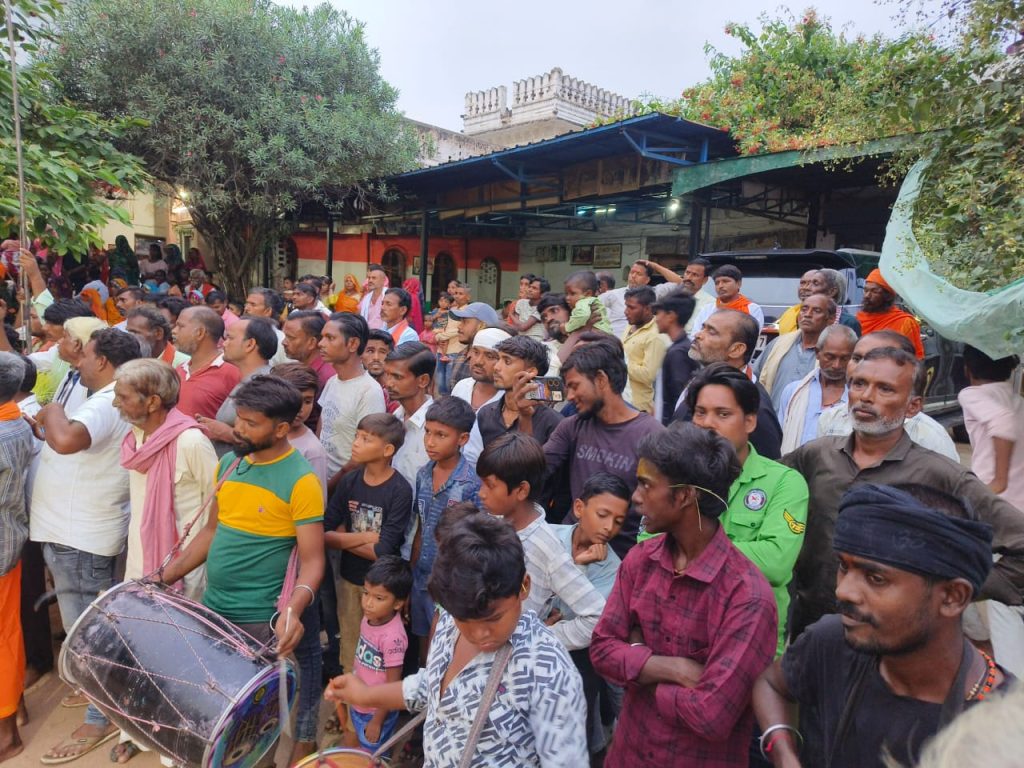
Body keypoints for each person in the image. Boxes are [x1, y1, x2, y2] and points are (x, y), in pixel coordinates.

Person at [752, 484, 1007, 768]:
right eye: (844, 567)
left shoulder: (1005, 734)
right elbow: (771, 684)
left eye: (876, 578)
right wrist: (783, 751)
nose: (843, 591)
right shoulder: (831, 641)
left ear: (952, 597)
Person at [783, 346, 1024, 639]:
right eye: (859, 384)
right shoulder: (816, 455)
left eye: (885, 389)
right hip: (810, 631)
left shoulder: (940, 475)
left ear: (913, 406)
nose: (866, 396)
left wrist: (940, 593)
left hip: (895, 643)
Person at [326, 514, 588, 766]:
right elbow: (432, 686)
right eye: (464, 619)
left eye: (493, 618)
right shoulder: (449, 619)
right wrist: (367, 695)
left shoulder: (550, 674)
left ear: (524, 586)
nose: (478, 634)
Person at [590, 422, 778, 767]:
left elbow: (711, 715)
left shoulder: (747, 597)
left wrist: (636, 661)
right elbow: (602, 650)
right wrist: (671, 668)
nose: (635, 497)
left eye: (647, 485)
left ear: (685, 496)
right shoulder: (641, 561)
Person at [32, 329, 142, 764]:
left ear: (103, 362)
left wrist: (52, 409)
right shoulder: (109, 397)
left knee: (87, 636)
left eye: (85, 355)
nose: (78, 362)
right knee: (90, 630)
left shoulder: (107, 399)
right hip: (74, 533)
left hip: (79, 536)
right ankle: (100, 698)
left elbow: (66, 440)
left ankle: (101, 718)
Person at [159, 375, 325, 650]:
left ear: (281, 429)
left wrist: (292, 610)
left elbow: (313, 562)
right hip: (212, 610)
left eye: (251, 424)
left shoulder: (302, 481)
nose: (238, 429)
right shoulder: (229, 464)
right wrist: (161, 579)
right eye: (238, 418)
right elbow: (211, 531)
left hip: (258, 622)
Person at [110, 359, 218, 764]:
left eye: (123, 396)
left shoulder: (190, 442)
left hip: (182, 573)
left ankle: (176, 747)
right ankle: (136, 731)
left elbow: (217, 510)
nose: (116, 403)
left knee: (179, 663)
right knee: (139, 651)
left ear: (152, 401)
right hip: (140, 564)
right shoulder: (136, 435)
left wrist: (183, 568)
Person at [687, 363, 809, 657]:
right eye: (700, 413)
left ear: (750, 422)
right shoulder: (677, 475)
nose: (707, 423)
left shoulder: (784, 483)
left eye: (723, 414)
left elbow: (775, 562)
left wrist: (687, 547)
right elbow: (648, 546)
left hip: (753, 642)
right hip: (684, 634)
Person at [476, 432, 606, 651]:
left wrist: (539, 638)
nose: (481, 493)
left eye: (490, 485)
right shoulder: (491, 523)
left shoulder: (546, 547)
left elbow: (597, 616)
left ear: (521, 490)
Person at [544, 340, 665, 558]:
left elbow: (660, 506)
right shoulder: (572, 426)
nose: (569, 396)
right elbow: (536, 470)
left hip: (621, 557)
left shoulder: (651, 435)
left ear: (601, 379)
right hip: (567, 549)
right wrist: (528, 416)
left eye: (574, 386)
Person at [325, 412, 411, 686]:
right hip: (350, 579)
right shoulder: (350, 481)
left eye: (366, 439)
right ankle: (347, 704)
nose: (356, 443)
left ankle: (374, 704)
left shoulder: (400, 490)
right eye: (357, 436)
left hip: (383, 587)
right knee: (349, 647)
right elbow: (324, 532)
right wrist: (364, 537)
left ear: (387, 450)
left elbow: (382, 551)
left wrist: (343, 538)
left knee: (379, 655)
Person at [552, 472, 630, 755]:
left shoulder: (613, 569)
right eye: (603, 515)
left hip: (575, 660)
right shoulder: (549, 537)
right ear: (578, 508)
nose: (609, 527)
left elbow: (583, 623)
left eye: (618, 521)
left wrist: (580, 566)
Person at [403, 396, 480, 658]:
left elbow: (473, 544)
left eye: (441, 435)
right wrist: (411, 576)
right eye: (427, 432)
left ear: (463, 439)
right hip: (422, 579)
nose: (430, 441)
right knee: (423, 647)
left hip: (451, 586)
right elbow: (420, 528)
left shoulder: (471, 484)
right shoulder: (423, 474)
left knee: (444, 650)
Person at [815, 331, 959, 461]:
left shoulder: (930, 437)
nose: (865, 367)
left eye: (881, 360)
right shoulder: (830, 420)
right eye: (857, 358)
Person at [673, 309, 784, 459]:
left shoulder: (755, 408)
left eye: (711, 332)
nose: (698, 335)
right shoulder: (702, 381)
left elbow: (765, 464)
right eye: (703, 328)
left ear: (737, 349)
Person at [337, 555, 410, 757]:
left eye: (379, 598)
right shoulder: (369, 619)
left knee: (375, 757)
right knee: (362, 751)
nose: (368, 603)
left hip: (377, 712)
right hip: (360, 704)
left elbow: (393, 685)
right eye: (366, 593)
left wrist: (377, 720)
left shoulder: (393, 638)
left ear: (398, 603)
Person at [0, 353, 33, 764]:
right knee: (7, 630)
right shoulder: (17, 420)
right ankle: (16, 706)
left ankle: (6, 733)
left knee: (3, 637)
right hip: (8, 540)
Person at [463, 335, 563, 468]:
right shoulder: (486, 414)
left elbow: (537, 472)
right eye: (498, 359)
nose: (496, 367)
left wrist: (525, 418)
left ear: (530, 372)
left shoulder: (554, 423)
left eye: (507, 361)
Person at [317, 312, 386, 491]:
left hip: (345, 488)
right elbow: (323, 425)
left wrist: (328, 489)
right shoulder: (332, 382)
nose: (321, 344)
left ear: (353, 344)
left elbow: (364, 453)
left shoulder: (369, 391)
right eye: (322, 337)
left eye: (330, 338)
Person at [198, 316, 276, 456]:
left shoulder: (263, 386)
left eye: (230, 338)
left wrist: (227, 433)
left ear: (250, 344)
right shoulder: (248, 380)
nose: (224, 344)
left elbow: (268, 438)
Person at [959, 346, 1024, 509]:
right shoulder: (1018, 401)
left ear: (967, 369)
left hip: (993, 501)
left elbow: (1003, 421)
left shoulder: (972, 394)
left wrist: (999, 481)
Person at [777, 324, 858, 453]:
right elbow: (779, 436)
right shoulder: (793, 391)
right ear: (817, 353)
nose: (837, 365)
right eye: (830, 357)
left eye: (844, 359)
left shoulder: (858, 398)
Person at [756, 294, 836, 411]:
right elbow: (756, 380)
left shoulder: (834, 353)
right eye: (804, 309)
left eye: (816, 311)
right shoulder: (778, 344)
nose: (807, 314)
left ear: (831, 319)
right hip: (773, 419)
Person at [172, 306, 241, 420]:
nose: (174, 331)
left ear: (200, 333)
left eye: (180, 326)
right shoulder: (180, 369)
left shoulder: (232, 373)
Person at [272, 363, 329, 496]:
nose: (300, 408)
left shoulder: (312, 451)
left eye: (307, 401)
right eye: (292, 400)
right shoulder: (262, 434)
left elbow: (317, 499)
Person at [383, 342, 435, 488]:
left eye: (397, 377)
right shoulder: (395, 417)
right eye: (387, 374)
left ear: (423, 380)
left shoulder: (436, 427)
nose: (388, 383)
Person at [652, 287, 698, 425]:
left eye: (658, 313)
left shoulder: (678, 353)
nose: (656, 319)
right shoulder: (681, 348)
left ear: (671, 316)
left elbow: (680, 399)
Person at [621, 285, 670, 415]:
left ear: (648, 309)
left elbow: (648, 375)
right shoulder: (631, 326)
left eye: (631, 308)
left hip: (637, 405)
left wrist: (619, 364)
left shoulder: (655, 336)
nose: (626, 311)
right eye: (626, 306)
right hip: (622, 397)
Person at [856, 267, 924, 359]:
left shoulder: (905, 322)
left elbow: (913, 359)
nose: (867, 295)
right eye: (866, 290)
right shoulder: (858, 319)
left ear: (887, 295)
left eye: (874, 291)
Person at [690, 264, 765, 335]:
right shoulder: (707, 309)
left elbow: (751, 337)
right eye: (717, 283)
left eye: (725, 281)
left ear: (738, 284)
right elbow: (695, 334)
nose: (720, 286)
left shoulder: (753, 309)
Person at [450, 327, 509, 412]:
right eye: (476, 352)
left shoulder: (509, 399)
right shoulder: (461, 386)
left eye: (489, 356)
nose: (479, 361)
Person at [446, 301, 501, 388]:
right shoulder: (461, 355)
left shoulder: (497, 363)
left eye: (465, 322)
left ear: (482, 326)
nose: (459, 326)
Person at [431, 282, 470, 396]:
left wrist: (440, 336)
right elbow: (440, 326)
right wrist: (437, 334)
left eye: (461, 294)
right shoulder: (450, 310)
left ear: (468, 297)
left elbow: (458, 330)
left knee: (450, 385)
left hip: (456, 351)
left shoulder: (468, 312)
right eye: (456, 293)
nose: (457, 296)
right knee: (440, 384)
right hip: (441, 350)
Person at [125, 306, 190, 368]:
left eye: (135, 332)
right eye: (128, 332)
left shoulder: (184, 365)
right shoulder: (127, 359)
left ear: (158, 333)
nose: (129, 337)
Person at [282, 309, 333, 388]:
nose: (283, 342)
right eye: (285, 336)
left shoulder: (325, 378)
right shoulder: (301, 369)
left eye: (291, 338)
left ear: (312, 342)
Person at [244, 287, 289, 366]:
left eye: (253, 305)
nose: (246, 308)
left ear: (268, 311)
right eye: (246, 303)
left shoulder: (281, 341)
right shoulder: (240, 334)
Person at [774, 270, 826, 334]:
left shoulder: (833, 316)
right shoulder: (790, 313)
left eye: (814, 284)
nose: (805, 287)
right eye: (803, 283)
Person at [563, 270, 613, 335]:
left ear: (588, 294)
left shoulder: (583, 301)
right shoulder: (592, 301)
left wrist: (567, 327)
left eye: (572, 293)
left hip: (597, 335)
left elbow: (582, 315)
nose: (567, 298)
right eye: (566, 294)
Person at [816, 268, 862, 334]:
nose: (806, 287)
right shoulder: (803, 315)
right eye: (804, 283)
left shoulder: (849, 322)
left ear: (832, 291)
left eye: (815, 283)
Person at [508, 274, 548, 340]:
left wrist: (511, 315)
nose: (530, 290)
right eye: (530, 287)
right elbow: (516, 326)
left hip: (535, 340)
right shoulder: (520, 302)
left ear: (542, 294)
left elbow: (522, 327)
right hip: (519, 339)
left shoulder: (542, 308)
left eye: (534, 288)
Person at [357, 265, 388, 330]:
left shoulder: (389, 296)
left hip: (385, 334)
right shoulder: (366, 298)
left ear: (383, 280)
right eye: (369, 278)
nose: (370, 280)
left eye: (374, 278)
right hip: (368, 333)